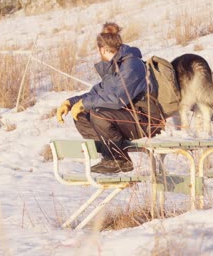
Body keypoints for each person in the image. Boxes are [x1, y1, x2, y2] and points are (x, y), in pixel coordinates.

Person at [56, 22, 163, 174]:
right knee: (82, 114)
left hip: (147, 120)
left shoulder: (132, 66)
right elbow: (99, 92)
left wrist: (84, 103)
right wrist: (71, 102)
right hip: (131, 119)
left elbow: (117, 99)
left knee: (99, 114)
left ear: (102, 49)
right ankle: (109, 155)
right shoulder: (116, 67)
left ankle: (119, 159)